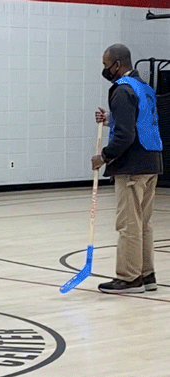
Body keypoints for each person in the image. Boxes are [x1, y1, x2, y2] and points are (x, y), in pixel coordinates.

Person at [92, 44, 163, 294]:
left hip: (132, 166)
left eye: (105, 64)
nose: (104, 69)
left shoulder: (122, 91)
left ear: (118, 64)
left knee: (128, 224)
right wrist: (111, 120)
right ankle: (147, 273)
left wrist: (103, 157)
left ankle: (130, 277)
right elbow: (138, 120)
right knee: (143, 222)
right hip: (152, 161)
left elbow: (124, 136)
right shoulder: (145, 88)